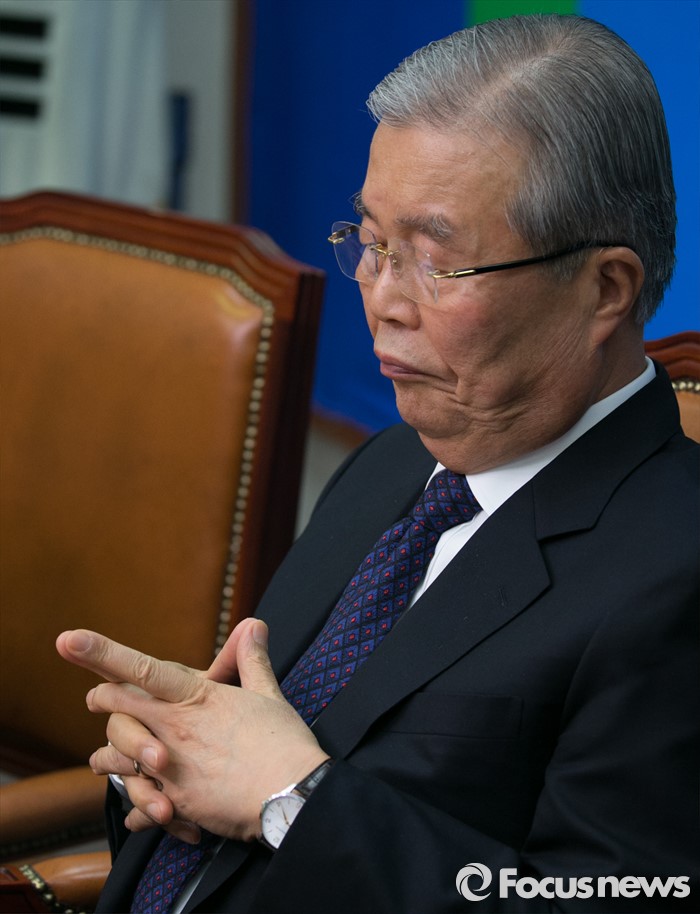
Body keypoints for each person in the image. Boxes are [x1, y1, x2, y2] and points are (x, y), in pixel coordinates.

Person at [57, 13, 698, 914]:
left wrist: (293, 802)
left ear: (605, 288)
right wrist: (167, 770)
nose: (381, 298)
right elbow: (252, 773)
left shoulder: (674, 575)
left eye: (434, 261)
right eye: (370, 242)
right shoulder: (393, 469)